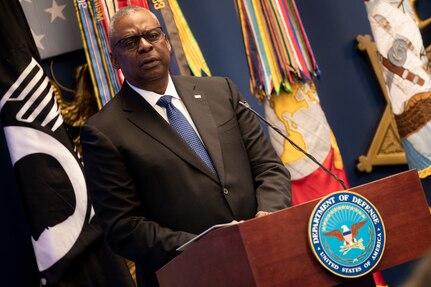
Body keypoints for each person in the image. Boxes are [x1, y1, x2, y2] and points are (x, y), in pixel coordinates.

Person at [80, 6, 292, 287]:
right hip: (189, 274)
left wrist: (267, 216)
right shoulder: (103, 131)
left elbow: (268, 168)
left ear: (166, 41)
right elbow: (124, 227)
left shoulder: (221, 91)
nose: (144, 46)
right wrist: (209, 243)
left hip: (267, 256)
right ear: (114, 59)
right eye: (130, 42)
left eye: (152, 35)